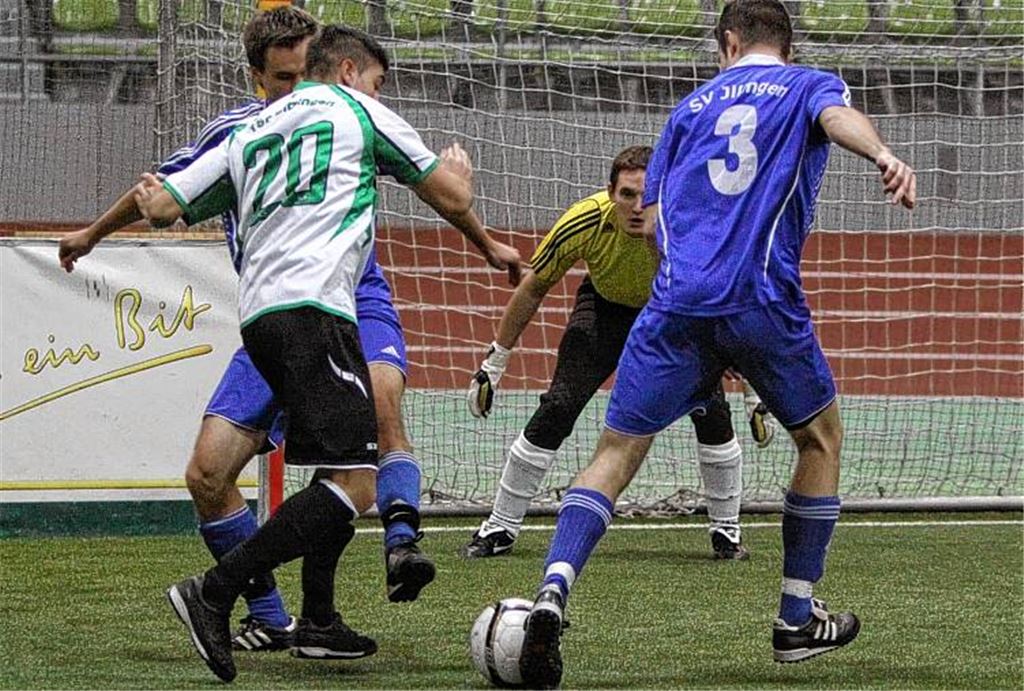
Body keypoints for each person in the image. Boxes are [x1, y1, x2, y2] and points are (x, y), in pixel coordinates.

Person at [515, 1, 916, 686]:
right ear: (785, 45)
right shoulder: (806, 84)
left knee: (614, 453)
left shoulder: (691, 108)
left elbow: (657, 216)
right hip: (760, 296)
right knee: (819, 439)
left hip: (676, 303)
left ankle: (552, 588)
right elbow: (836, 119)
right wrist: (881, 152)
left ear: (726, 42)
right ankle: (794, 615)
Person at [137, 25, 522, 682]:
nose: (377, 92)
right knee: (351, 478)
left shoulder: (251, 131)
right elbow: (450, 196)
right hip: (315, 309)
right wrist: (459, 178)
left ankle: (324, 613)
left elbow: (165, 204)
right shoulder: (351, 108)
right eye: (376, 81)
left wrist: (133, 209)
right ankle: (218, 589)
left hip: (270, 315)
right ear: (347, 70)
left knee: (346, 458)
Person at [57, 8, 441, 654]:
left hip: (351, 299)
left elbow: (428, 176)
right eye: (283, 79)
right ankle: (272, 615)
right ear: (255, 77)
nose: (299, 91)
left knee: (375, 409)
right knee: (207, 473)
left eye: (305, 72)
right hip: (277, 315)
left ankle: (392, 549)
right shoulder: (236, 132)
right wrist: (93, 233)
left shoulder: (346, 109)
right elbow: (160, 187)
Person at [463, 145, 776, 561]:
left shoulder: (685, 227)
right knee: (559, 405)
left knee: (711, 410)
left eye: (646, 195)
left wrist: (754, 389)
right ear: (610, 193)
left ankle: (727, 534)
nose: (635, 206)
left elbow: (726, 298)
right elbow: (533, 286)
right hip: (604, 310)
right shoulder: (584, 219)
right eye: (626, 194)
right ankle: (499, 527)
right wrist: (494, 362)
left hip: (670, 315)